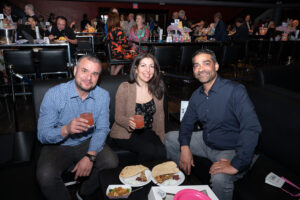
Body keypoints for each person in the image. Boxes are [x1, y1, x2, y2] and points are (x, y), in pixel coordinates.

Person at [165, 49, 261, 200]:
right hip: (207, 141)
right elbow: (187, 123)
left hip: (229, 148)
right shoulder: (197, 95)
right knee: (171, 138)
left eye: (206, 63)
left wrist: (236, 164)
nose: (201, 69)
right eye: (196, 65)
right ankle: (179, 183)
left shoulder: (235, 91)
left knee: (220, 178)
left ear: (216, 66)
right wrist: (184, 148)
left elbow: (251, 128)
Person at [36, 55, 119, 200]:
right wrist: (66, 129)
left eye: (95, 74)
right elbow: (42, 134)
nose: (89, 78)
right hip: (59, 144)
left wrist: (90, 155)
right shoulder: (54, 94)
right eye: (84, 71)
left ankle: (83, 193)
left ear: (99, 77)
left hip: (87, 140)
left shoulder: (103, 96)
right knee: (45, 175)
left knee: (111, 161)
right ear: (75, 71)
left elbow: (102, 128)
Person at [110, 53, 166, 162]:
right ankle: (140, 177)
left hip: (147, 131)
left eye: (151, 66)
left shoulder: (158, 86)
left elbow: (160, 116)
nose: (148, 70)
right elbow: (118, 117)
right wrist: (128, 122)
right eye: (143, 66)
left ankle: (154, 177)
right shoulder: (125, 87)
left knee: (161, 151)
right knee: (149, 150)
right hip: (125, 132)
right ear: (136, 69)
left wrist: (162, 138)